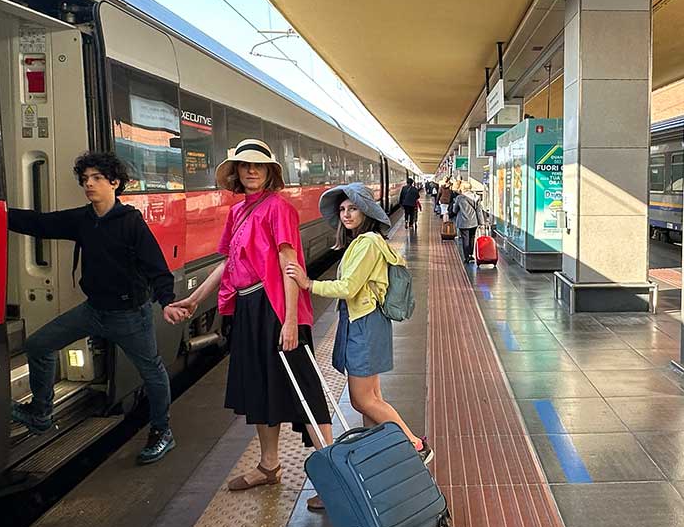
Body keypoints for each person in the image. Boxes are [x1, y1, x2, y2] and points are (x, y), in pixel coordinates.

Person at [166, 138, 333, 507]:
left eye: (258, 165)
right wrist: (194, 300)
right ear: (237, 174)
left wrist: (290, 321)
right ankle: (269, 466)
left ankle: (332, 477)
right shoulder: (239, 212)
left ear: (270, 172)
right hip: (247, 309)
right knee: (260, 388)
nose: (252, 170)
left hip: (275, 308)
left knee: (303, 390)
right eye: (245, 166)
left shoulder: (278, 209)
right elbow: (227, 264)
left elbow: (291, 266)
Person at [8, 151, 176, 465]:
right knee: (38, 345)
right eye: (85, 179)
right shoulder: (83, 219)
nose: (89, 184)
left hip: (129, 317)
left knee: (152, 374)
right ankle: (41, 412)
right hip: (94, 311)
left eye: (97, 178)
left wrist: (167, 302)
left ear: (115, 183)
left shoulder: (131, 224)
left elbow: (158, 270)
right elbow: (40, 224)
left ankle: (162, 431)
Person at [284, 182, 432, 464]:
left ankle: (414, 444)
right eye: (342, 210)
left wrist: (308, 283)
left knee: (362, 400)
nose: (346, 214)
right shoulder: (364, 243)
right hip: (366, 323)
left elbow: (348, 287)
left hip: (364, 324)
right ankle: (379, 456)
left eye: (353, 208)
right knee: (372, 398)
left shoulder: (367, 243)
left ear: (366, 210)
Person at [451, 184, 486, 264]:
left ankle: (466, 257)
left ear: (463, 188)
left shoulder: (459, 198)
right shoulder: (476, 197)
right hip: (474, 222)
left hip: (463, 222)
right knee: (472, 238)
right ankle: (470, 255)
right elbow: (479, 211)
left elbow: (455, 210)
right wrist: (482, 223)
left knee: (465, 239)